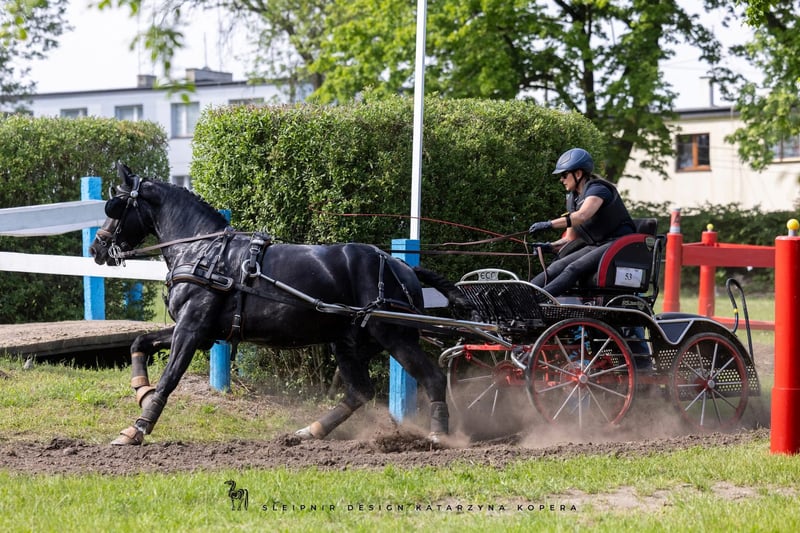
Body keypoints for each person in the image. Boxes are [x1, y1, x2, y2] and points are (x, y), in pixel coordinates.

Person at [527, 147, 636, 297]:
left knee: (573, 268)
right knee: (556, 267)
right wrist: (549, 246)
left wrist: (548, 224)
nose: (561, 180)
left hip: (617, 244)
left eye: (564, 175)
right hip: (597, 245)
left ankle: (536, 301)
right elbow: (569, 239)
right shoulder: (573, 198)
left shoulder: (598, 189)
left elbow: (583, 215)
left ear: (578, 174)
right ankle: (522, 297)